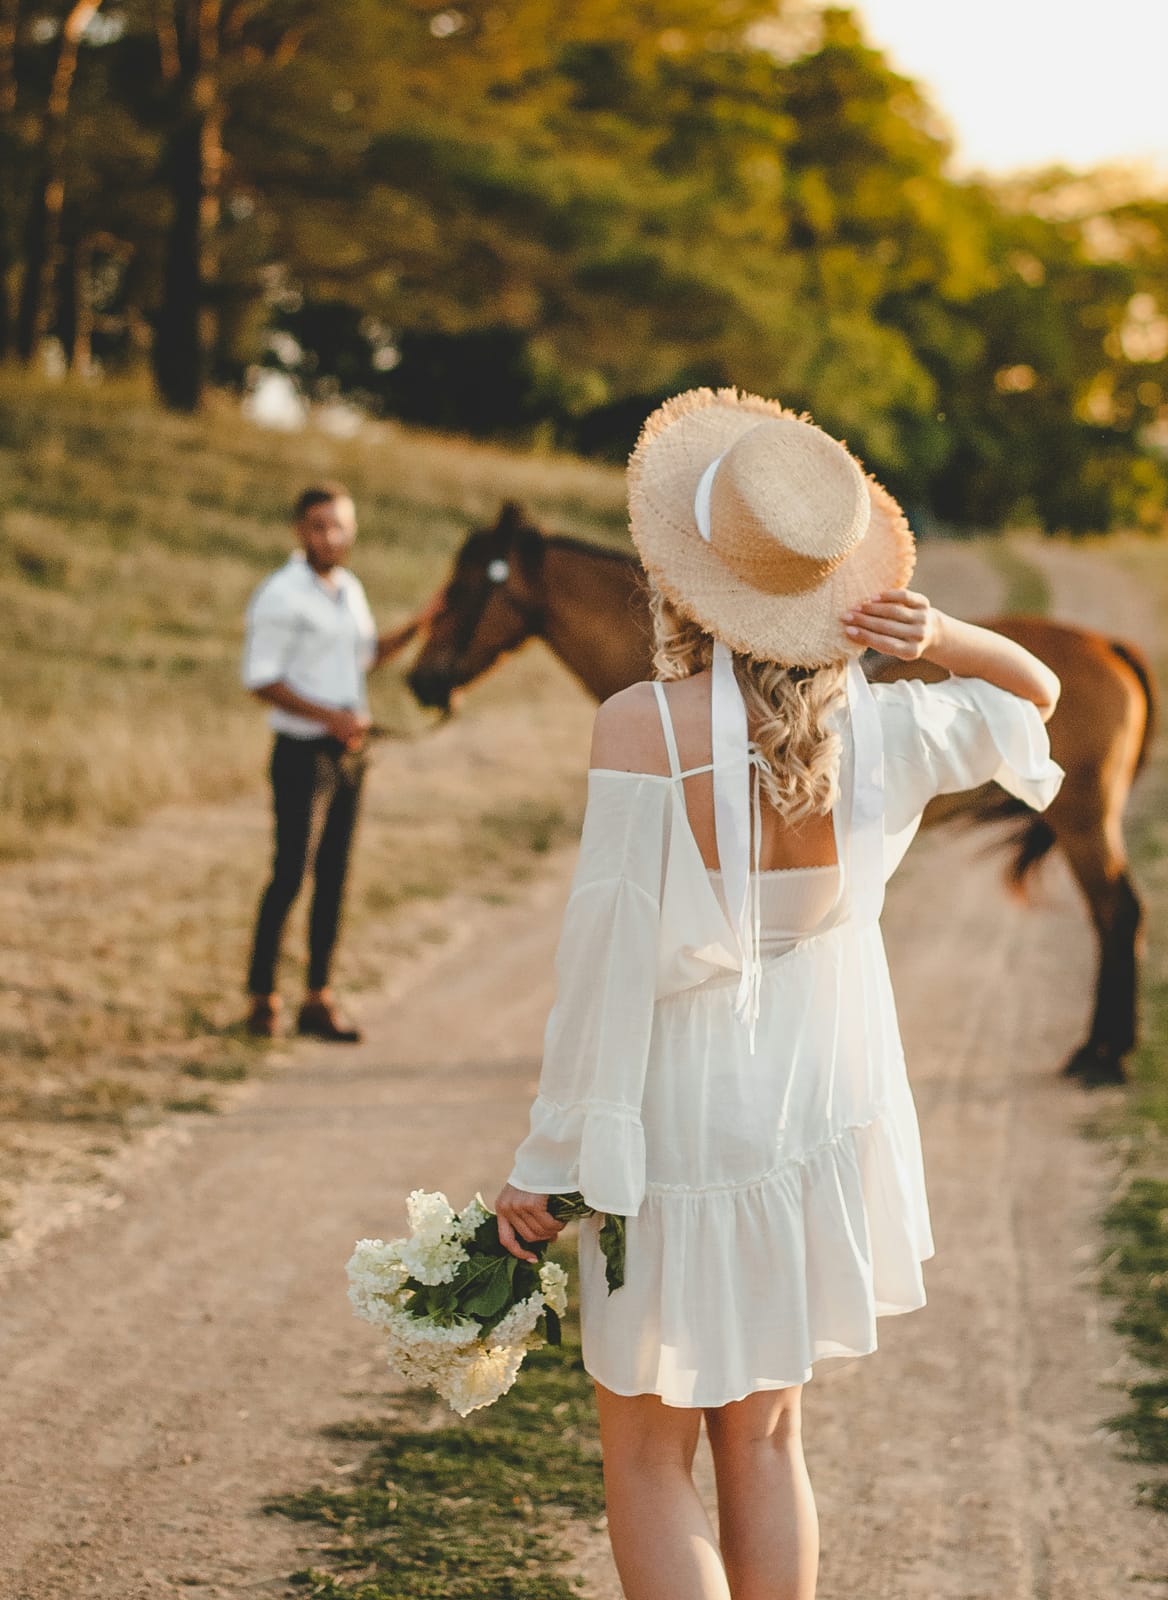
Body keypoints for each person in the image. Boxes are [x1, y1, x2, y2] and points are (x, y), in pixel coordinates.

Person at [493, 389, 1064, 1600]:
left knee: (646, 1459)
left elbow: (601, 969)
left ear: (681, 585)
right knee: (766, 1436)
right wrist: (940, 633)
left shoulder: (637, 728)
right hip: (810, 1110)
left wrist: (548, 1160)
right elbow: (1034, 701)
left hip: (675, 1123)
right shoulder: (890, 731)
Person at [241, 482, 435, 1042]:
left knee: (334, 877)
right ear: (301, 530)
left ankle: (317, 996)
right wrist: (331, 718)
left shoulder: (349, 589)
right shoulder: (280, 594)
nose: (332, 536)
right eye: (320, 526)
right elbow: (262, 679)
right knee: (290, 874)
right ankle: (262, 996)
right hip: (302, 753)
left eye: (340, 526)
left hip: (351, 755)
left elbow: (364, 656)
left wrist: (419, 625)